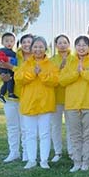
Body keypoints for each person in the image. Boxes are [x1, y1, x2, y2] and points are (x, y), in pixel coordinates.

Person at [59, 35, 89, 172]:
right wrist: (75, 74)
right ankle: (76, 161)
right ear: (75, 47)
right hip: (72, 104)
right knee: (75, 134)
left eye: (84, 45)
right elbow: (62, 80)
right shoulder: (70, 62)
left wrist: (83, 73)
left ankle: (86, 161)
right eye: (79, 45)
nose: (81, 47)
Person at [14, 36, 59, 169]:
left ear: (46, 48)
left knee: (45, 133)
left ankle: (44, 160)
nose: (38, 49)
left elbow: (55, 81)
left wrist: (43, 75)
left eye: (41, 47)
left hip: (45, 104)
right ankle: (31, 159)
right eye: (35, 47)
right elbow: (18, 78)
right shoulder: (26, 63)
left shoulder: (51, 64)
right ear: (31, 48)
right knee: (30, 133)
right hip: (29, 103)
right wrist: (33, 73)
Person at [0, 33, 33, 163]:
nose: (26, 45)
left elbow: (27, 75)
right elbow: (2, 70)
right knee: (12, 126)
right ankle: (14, 152)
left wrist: (12, 68)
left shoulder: (36, 59)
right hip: (10, 98)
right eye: (24, 42)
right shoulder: (13, 56)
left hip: (26, 98)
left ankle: (26, 153)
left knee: (26, 128)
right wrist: (2, 77)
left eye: (29, 42)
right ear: (20, 44)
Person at [49, 34, 72, 162]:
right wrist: (60, 69)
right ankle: (57, 152)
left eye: (65, 42)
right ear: (56, 45)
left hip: (70, 97)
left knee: (71, 126)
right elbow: (51, 78)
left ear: (69, 44)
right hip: (56, 98)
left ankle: (71, 150)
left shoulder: (74, 59)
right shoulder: (52, 60)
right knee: (55, 126)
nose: (62, 45)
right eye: (60, 42)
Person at [0, 32, 18, 103]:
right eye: (6, 41)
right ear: (2, 42)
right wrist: (7, 59)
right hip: (3, 69)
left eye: (11, 41)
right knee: (9, 80)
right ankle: (10, 93)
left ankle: (1, 95)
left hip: (10, 69)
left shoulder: (14, 53)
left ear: (14, 42)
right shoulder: (2, 51)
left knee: (7, 82)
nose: (9, 43)